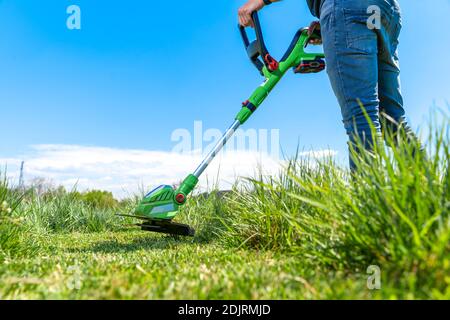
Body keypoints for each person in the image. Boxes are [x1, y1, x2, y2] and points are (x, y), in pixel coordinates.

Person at [238, 0, 419, 170]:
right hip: (385, 10)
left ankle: (371, 200)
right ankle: (432, 193)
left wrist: (261, 1)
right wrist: (332, 24)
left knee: (362, 115)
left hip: (346, 7)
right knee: (392, 119)